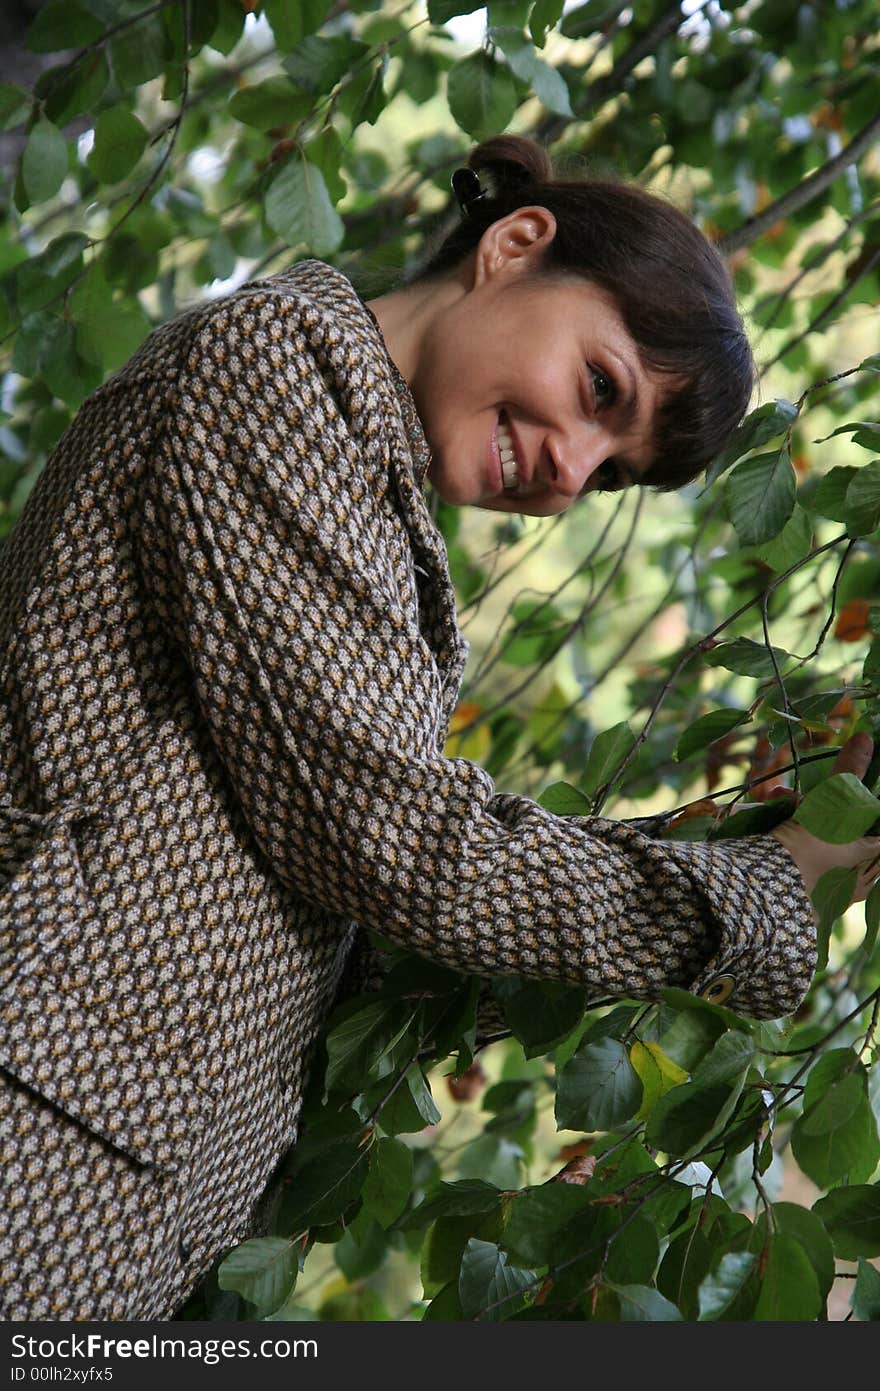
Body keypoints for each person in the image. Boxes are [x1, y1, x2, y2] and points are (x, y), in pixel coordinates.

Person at [0, 134, 876, 1322]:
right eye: (600, 390)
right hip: (37, 1141)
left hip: (126, 1202)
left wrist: (750, 832)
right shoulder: (272, 365)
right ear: (514, 248)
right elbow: (384, 837)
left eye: (609, 475)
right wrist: (752, 894)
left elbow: (361, 927)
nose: (569, 473)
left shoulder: (371, 519)